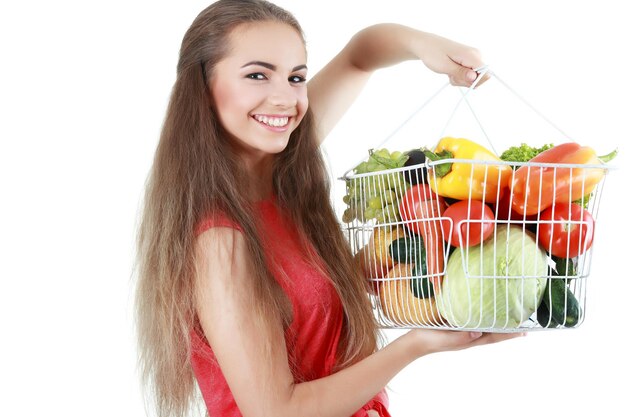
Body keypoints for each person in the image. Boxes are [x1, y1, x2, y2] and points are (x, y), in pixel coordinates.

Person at [135, 1, 521, 416]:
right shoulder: (220, 241)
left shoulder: (281, 176)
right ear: (203, 89)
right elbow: (276, 412)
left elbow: (360, 55)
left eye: (296, 76)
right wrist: (417, 343)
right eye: (256, 75)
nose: (285, 99)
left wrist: (426, 46)